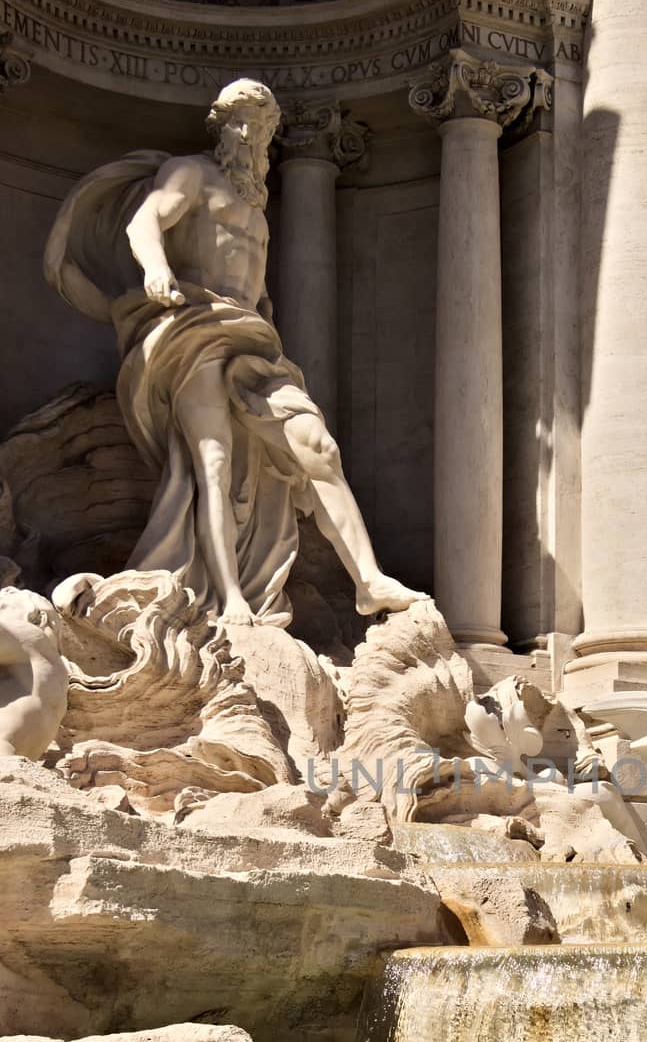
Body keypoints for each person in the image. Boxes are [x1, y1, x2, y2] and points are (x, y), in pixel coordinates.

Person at [45, 78, 421, 629]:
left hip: (251, 338)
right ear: (221, 127)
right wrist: (155, 268)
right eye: (242, 123)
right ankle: (229, 600)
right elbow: (146, 219)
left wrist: (267, 320)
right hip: (193, 327)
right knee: (212, 466)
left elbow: (260, 290)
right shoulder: (190, 173)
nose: (252, 134)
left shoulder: (256, 207)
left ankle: (368, 581)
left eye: (263, 126)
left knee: (318, 447)